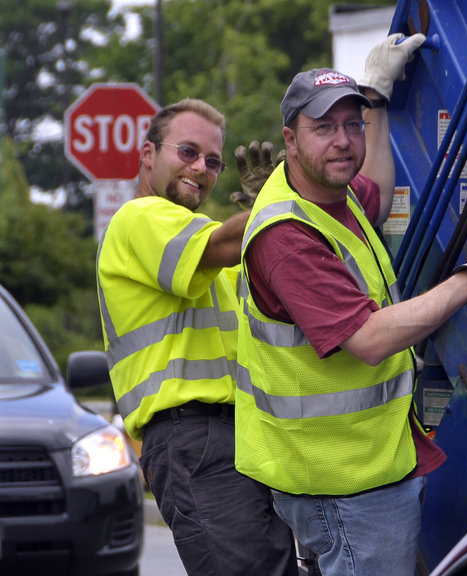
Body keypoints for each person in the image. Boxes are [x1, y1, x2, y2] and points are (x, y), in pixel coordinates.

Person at [234, 37, 467, 576]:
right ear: (290, 140)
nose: (342, 142)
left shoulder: (331, 198)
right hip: (339, 478)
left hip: (360, 464)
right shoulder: (287, 234)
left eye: (352, 125)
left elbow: (380, 190)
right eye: (324, 128)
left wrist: (378, 97)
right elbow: (368, 339)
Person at [96, 98, 297, 576]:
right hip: (193, 437)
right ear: (148, 154)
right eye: (186, 152)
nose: (200, 169)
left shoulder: (205, 248)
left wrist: (262, 224)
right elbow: (223, 244)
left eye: (212, 161)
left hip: (234, 436)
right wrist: (285, 197)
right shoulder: (138, 218)